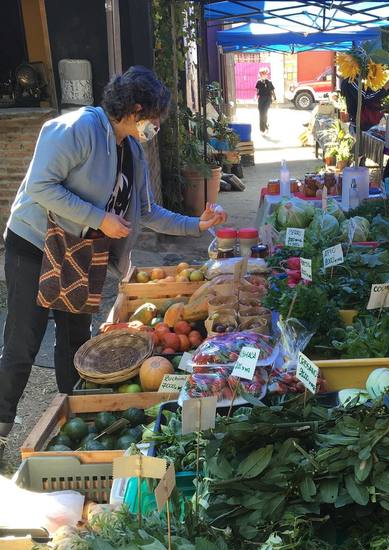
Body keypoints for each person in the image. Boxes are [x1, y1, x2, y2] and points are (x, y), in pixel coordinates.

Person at [0, 66, 227, 456]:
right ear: (137, 108)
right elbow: (40, 185)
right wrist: (99, 217)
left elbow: (147, 211)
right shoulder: (76, 129)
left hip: (81, 252)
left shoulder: (132, 150)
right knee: (24, 340)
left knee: (76, 339)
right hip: (36, 246)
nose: (155, 125)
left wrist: (197, 224)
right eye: (155, 117)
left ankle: (76, 414)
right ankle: (2, 427)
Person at [255, 67, 275, 134]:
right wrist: (255, 97)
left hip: (267, 99)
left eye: (265, 74)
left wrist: (274, 98)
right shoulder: (258, 82)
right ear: (260, 75)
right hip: (261, 99)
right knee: (261, 114)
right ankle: (262, 129)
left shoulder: (269, 82)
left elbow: (272, 91)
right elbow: (257, 91)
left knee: (265, 113)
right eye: (262, 74)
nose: (264, 75)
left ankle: (266, 127)